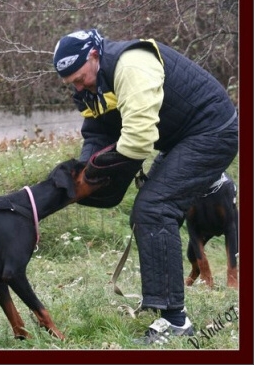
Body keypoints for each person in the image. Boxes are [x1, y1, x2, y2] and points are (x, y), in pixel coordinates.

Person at [52, 29, 238, 344]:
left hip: (213, 131)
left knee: (153, 208)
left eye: (80, 78)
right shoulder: (89, 86)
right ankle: (159, 303)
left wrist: (99, 168)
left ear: (94, 56)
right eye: (71, 83)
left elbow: (138, 142)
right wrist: (84, 170)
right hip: (181, 138)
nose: (78, 86)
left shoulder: (131, 65)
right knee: (146, 213)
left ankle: (175, 321)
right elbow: (97, 132)